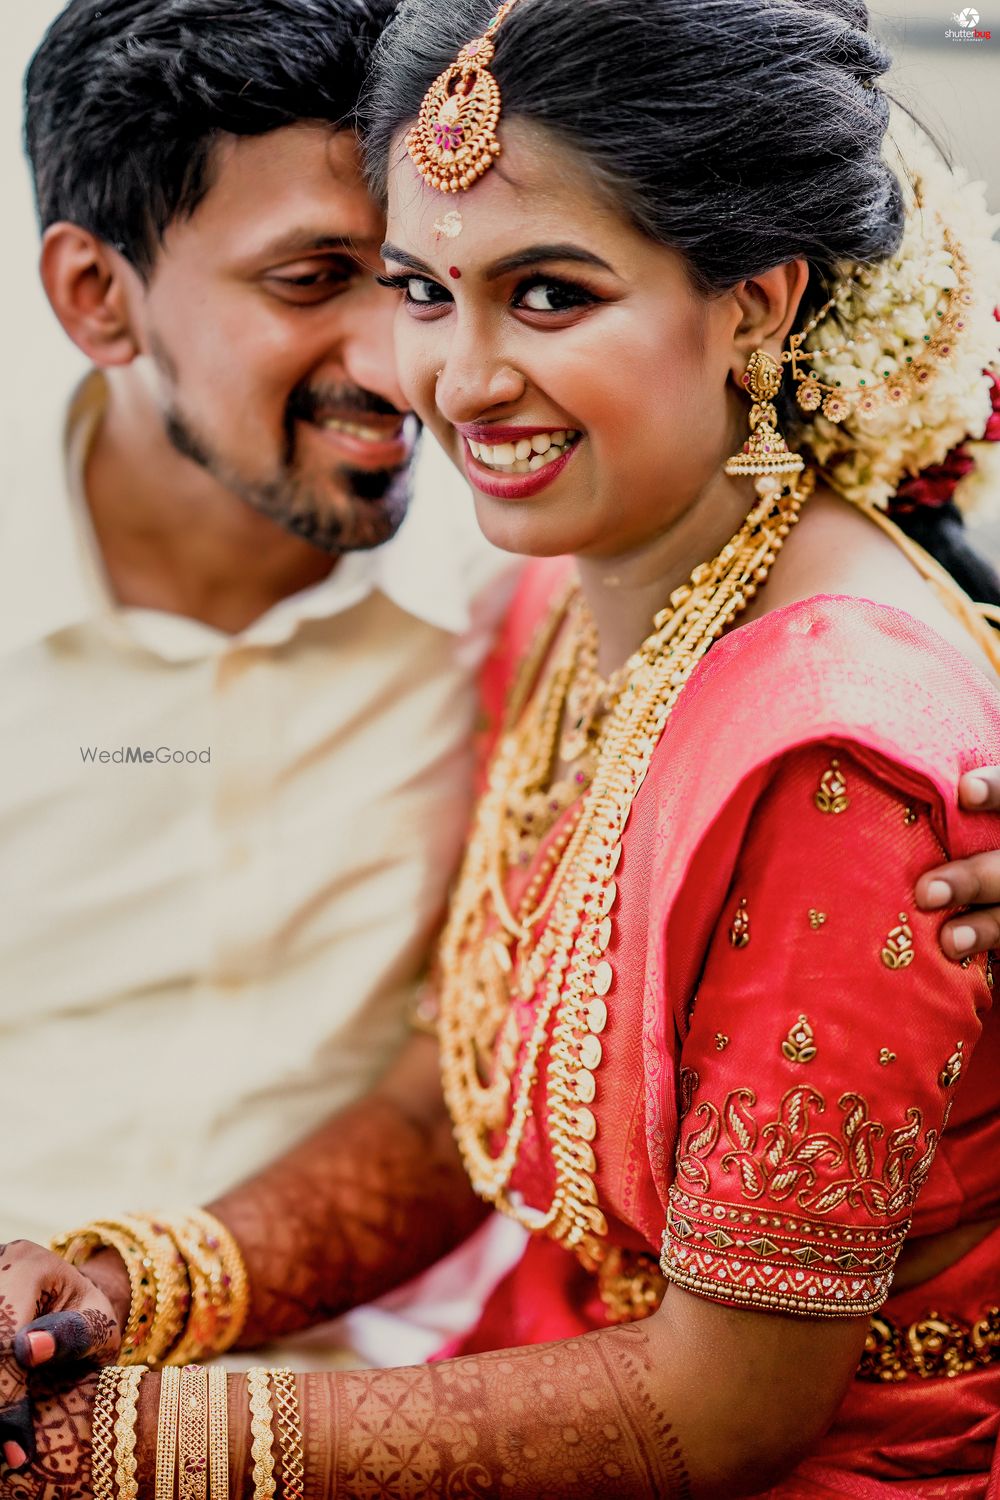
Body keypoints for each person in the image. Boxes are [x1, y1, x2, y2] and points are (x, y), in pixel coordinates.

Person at [4, 0, 1000, 1497]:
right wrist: (139, 1287)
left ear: (757, 301)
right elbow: (445, 1087)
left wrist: (108, 1455)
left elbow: (726, 1410)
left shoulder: (834, 762)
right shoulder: (555, 592)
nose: (450, 380)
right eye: (424, 285)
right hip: (510, 1360)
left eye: (548, 296)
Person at [0, 0, 525, 1378]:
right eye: (310, 279)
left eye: (416, 277)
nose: (403, 361)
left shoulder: (528, 606)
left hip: (370, 1407)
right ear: (94, 297)